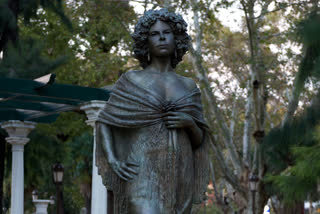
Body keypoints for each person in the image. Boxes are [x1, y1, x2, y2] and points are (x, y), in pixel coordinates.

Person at [95, 8, 209, 214]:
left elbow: (199, 140)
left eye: (167, 32)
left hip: (181, 172)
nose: (162, 37)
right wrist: (113, 159)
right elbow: (105, 121)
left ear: (177, 38)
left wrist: (190, 123)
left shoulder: (188, 86)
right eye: (154, 34)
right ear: (145, 41)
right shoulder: (132, 80)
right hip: (142, 170)